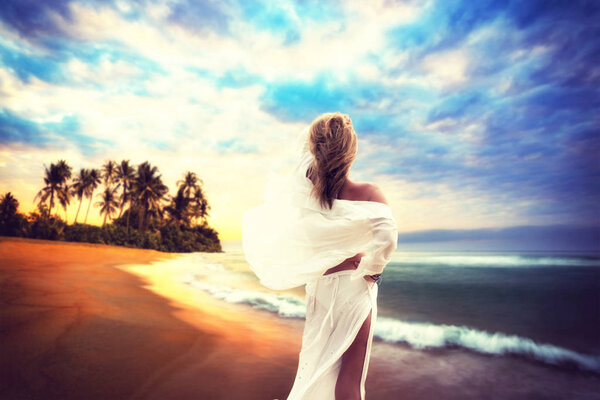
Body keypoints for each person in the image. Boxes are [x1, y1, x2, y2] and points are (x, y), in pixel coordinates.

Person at [242, 112, 398, 400]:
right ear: (351, 152)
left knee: (317, 362)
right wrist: (372, 268)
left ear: (314, 149)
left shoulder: (306, 191)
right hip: (353, 287)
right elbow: (388, 238)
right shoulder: (368, 192)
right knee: (350, 374)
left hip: (322, 288)